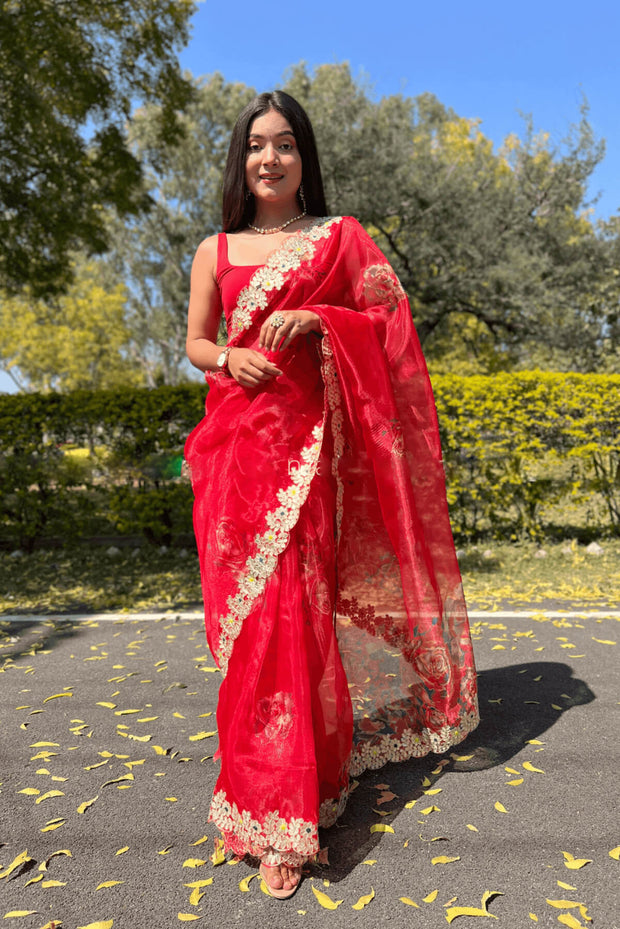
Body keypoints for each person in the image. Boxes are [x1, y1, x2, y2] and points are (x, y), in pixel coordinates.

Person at [184, 91, 479, 899]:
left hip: (305, 454)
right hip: (237, 454)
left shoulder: (337, 239)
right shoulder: (215, 248)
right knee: (250, 632)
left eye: (284, 144)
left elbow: (388, 317)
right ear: (241, 160)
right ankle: (255, 788)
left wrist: (320, 319)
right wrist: (225, 360)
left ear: (305, 157)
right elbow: (196, 340)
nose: (269, 158)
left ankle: (285, 810)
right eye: (255, 146)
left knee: (293, 614)